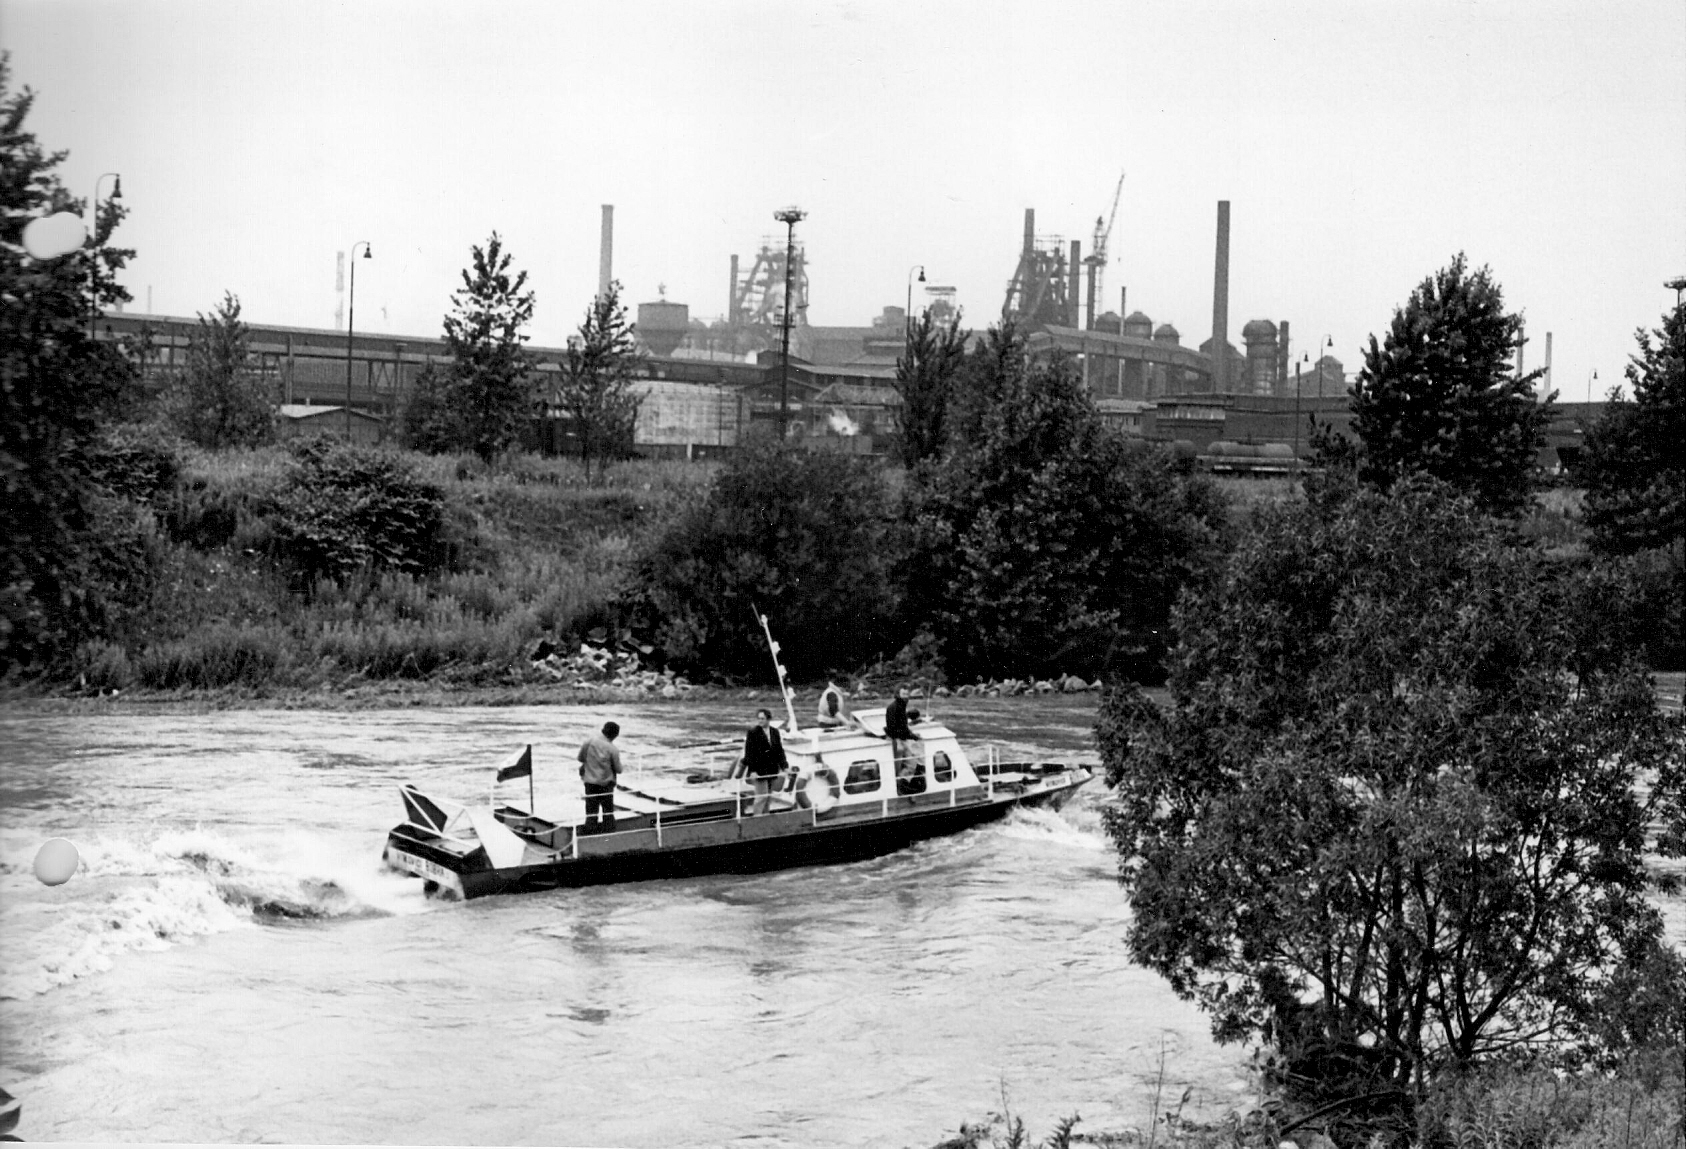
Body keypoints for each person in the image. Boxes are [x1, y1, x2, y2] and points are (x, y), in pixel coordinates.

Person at [743, 708, 789, 815]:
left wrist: (784, 766)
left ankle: (766, 816)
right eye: (759, 719)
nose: (760, 721)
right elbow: (749, 753)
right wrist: (752, 771)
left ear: (768, 719)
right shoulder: (753, 732)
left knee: (768, 797)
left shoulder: (774, 732)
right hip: (759, 770)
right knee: (761, 797)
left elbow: (779, 751)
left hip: (772, 769)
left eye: (762, 719)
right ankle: (757, 818)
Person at [577, 721, 622, 830]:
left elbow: (580, 758)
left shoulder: (588, 742)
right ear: (614, 735)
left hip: (590, 782)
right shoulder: (613, 749)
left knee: (591, 811)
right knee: (608, 811)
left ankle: (590, 832)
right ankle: (608, 833)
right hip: (606, 784)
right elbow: (619, 769)